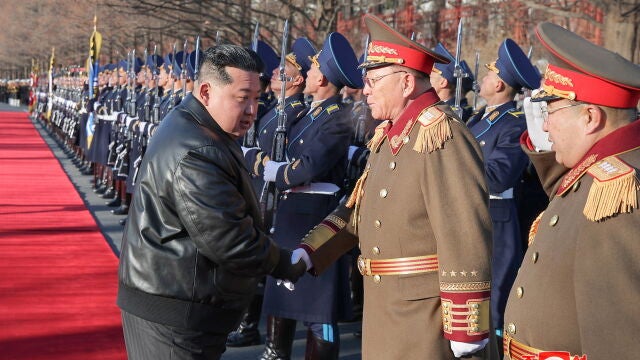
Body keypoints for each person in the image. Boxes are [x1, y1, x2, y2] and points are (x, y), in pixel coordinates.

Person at [293, 14, 493, 359]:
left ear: (405, 82)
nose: (364, 89)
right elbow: (359, 211)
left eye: (373, 80)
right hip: (386, 302)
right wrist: (310, 251)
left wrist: (466, 323)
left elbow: (463, 230)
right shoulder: (390, 135)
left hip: (423, 313)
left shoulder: (440, 133)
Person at [116, 45, 307, 360]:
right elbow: (228, 239)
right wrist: (285, 263)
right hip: (176, 310)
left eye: (257, 99)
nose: (252, 110)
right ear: (206, 91)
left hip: (174, 298)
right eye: (242, 98)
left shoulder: (194, 125)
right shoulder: (198, 148)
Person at [503, 22, 640, 360]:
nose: (546, 124)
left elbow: (619, 336)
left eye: (551, 111)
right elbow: (566, 199)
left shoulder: (618, 190)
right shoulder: (599, 169)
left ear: (590, 118)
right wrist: (544, 148)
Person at [258, 32, 362, 360]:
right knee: (284, 295)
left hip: (317, 214)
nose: (309, 72)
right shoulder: (309, 114)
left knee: (318, 311)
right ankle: (276, 353)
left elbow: (310, 166)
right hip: (292, 213)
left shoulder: (336, 118)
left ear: (324, 79)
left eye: (315, 68)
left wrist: (276, 171)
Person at [227, 38, 315, 349]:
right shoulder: (276, 111)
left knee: (264, 267)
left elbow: (283, 162)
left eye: (284, 69)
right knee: (252, 265)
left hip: (272, 198)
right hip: (256, 192)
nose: (276, 72)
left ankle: (256, 330)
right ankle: (247, 324)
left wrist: (254, 159)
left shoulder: (295, 113)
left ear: (298, 79)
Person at [465, 38, 540, 352]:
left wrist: (457, 167)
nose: (481, 79)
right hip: (472, 217)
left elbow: (497, 177)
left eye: (488, 74)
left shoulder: (513, 124)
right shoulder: (478, 120)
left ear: (499, 84)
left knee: (492, 307)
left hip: (496, 223)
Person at [431, 42, 474, 122]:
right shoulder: (436, 107)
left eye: (431, 74)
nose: (427, 78)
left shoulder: (451, 115)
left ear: (443, 83)